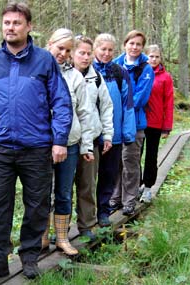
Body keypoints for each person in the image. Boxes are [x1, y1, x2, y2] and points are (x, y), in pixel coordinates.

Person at [0, 3, 73, 283]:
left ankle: (29, 257)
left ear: (29, 27)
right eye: (6, 23)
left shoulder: (44, 60)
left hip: (37, 148)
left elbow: (61, 102)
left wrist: (59, 140)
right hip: (2, 149)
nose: (10, 27)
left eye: (17, 23)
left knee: (37, 204)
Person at [43, 28, 95, 255]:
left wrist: (86, 145)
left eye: (67, 50)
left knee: (64, 192)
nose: (62, 53)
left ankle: (62, 238)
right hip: (40, 145)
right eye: (59, 48)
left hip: (70, 144)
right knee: (40, 192)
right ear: (49, 44)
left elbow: (84, 113)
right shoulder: (36, 71)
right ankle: (41, 238)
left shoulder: (75, 77)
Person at [72, 36, 114, 235]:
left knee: (87, 185)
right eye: (82, 52)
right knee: (59, 189)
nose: (86, 57)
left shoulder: (96, 77)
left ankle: (86, 225)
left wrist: (107, 135)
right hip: (67, 141)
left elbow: (106, 107)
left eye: (89, 53)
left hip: (92, 141)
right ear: (73, 53)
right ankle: (58, 229)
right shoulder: (62, 76)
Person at [93, 33, 136, 219]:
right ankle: (84, 216)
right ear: (95, 49)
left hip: (114, 135)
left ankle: (103, 212)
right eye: (103, 49)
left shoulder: (120, 72)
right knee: (86, 180)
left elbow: (128, 105)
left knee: (108, 176)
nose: (107, 53)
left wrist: (128, 133)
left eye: (110, 50)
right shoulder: (86, 70)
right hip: (90, 135)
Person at [112, 30, 154, 214]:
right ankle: (115, 197)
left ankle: (129, 199)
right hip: (114, 123)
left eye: (138, 44)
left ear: (142, 47)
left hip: (135, 124)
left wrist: (120, 106)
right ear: (125, 44)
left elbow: (140, 98)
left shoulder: (146, 69)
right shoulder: (115, 64)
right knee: (115, 162)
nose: (134, 47)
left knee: (130, 162)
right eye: (131, 43)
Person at [140, 44, 174, 203]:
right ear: (145, 56)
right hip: (139, 121)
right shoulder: (139, 71)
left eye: (156, 57)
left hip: (155, 123)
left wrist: (167, 126)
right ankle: (135, 185)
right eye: (150, 56)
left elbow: (168, 102)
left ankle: (147, 187)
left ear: (160, 58)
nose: (153, 59)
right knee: (135, 155)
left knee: (151, 156)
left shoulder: (165, 77)